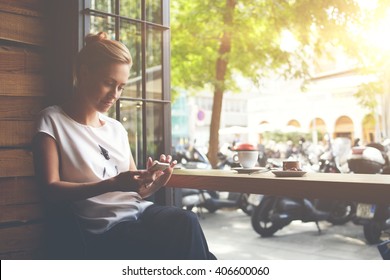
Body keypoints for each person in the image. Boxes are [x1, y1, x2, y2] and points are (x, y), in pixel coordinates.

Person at [32, 31, 216, 260]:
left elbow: (137, 192)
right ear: (84, 72)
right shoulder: (52, 120)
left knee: (187, 223)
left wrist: (155, 180)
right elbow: (50, 189)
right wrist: (111, 183)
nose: (115, 95)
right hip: (103, 230)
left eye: (121, 87)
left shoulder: (116, 128)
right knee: (188, 233)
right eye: (109, 83)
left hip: (139, 214)